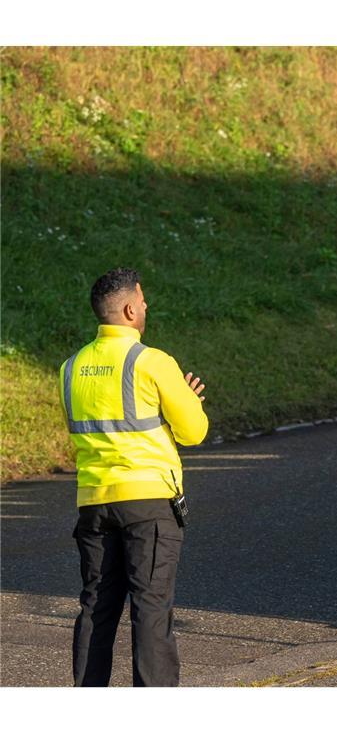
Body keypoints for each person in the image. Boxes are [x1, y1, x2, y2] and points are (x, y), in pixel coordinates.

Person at [63, 268, 208, 686]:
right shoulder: (153, 362)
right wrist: (184, 402)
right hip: (148, 505)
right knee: (150, 607)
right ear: (129, 308)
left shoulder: (69, 368)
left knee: (96, 607)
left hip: (93, 503)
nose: (146, 306)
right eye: (142, 301)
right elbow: (193, 432)